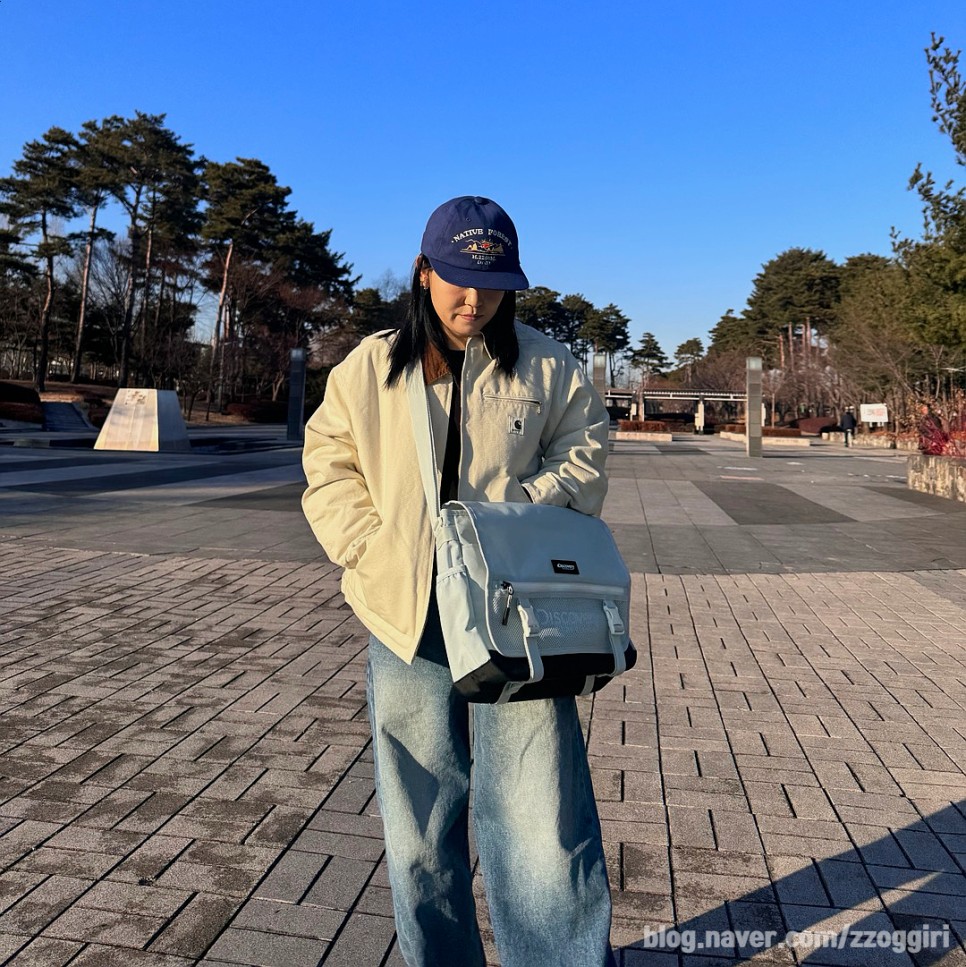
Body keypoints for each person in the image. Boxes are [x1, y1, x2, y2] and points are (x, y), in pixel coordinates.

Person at [301, 196, 616, 967]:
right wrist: (364, 548)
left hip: (518, 621)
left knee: (542, 822)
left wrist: (513, 520)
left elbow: (585, 455)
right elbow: (327, 459)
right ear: (424, 271)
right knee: (418, 827)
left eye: (493, 281)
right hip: (407, 620)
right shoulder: (373, 363)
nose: (474, 298)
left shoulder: (545, 362)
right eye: (458, 279)